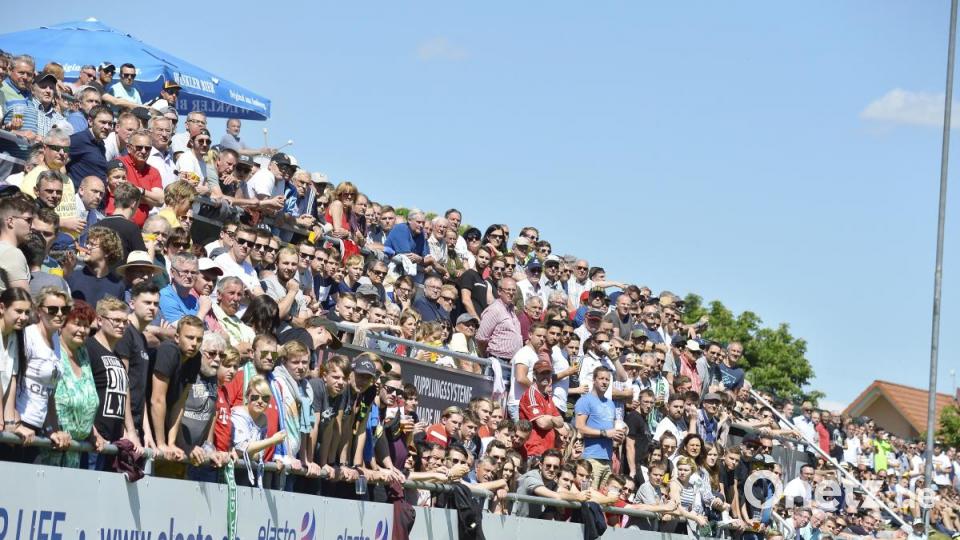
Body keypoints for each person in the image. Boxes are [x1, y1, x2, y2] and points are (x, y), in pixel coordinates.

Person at [5, 288, 73, 462]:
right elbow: (11, 379)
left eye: (64, 310)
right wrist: (13, 421)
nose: (59, 314)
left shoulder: (57, 340)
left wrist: (52, 428)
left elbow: (50, 391)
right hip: (17, 426)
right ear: (39, 311)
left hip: (36, 428)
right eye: (52, 309)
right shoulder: (27, 336)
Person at [86, 296, 142, 469]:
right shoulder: (89, 347)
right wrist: (92, 432)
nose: (121, 325)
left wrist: (131, 432)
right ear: (100, 320)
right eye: (116, 320)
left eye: (125, 321)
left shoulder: (117, 356)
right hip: (93, 442)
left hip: (114, 441)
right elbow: (84, 391)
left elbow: (123, 392)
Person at [148, 316, 203, 461]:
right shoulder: (168, 351)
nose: (194, 344)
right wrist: (162, 443)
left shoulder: (196, 359)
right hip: (144, 421)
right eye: (190, 338)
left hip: (161, 422)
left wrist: (174, 443)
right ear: (177, 337)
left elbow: (180, 403)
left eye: (199, 339)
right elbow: (157, 399)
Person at [228, 374, 287, 486]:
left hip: (249, 472)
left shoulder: (263, 418)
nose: (260, 401)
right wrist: (272, 441)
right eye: (255, 397)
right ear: (247, 396)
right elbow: (243, 448)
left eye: (265, 398)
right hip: (231, 472)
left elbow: (257, 453)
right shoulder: (238, 414)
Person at [575, 366, 622, 489]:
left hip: (608, 459)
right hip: (591, 458)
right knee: (588, 494)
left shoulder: (610, 403)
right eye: (601, 378)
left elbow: (611, 429)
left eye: (607, 379)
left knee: (603, 500)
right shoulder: (585, 400)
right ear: (594, 380)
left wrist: (617, 436)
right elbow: (580, 428)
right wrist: (605, 433)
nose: (604, 382)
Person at [512, 449, 589, 518]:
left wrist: (585, 496)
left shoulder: (552, 483)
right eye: (548, 466)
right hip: (516, 523)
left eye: (555, 467)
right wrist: (577, 497)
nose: (552, 469)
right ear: (540, 466)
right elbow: (556, 496)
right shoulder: (530, 478)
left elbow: (565, 492)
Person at [520, 359, 567, 458]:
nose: (546, 376)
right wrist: (553, 419)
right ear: (534, 375)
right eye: (542, 373)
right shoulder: (531, 394)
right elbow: (542, 423)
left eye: (548, 373)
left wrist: (549, 418)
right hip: (534, 451)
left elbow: (561, 422)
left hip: (547, 451)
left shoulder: (547, 396)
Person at [115, 130, 163, 226]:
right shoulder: (119, 164)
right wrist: (149, 200)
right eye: (139, 147)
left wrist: (140, 191)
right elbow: (119, 194)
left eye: (148, 148)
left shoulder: (154, 172)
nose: (144, 151)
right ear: (129, 148)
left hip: (139, 228)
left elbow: (160, 200)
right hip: (119, 223)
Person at [66, 226, 125, 305]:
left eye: (92, 244)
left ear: (107, 252)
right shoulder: (72, 278)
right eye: (87, 243)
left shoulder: (117, 285)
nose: (87, 246)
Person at [476, 277, 523, 361]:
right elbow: (481, 338)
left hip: (512, 362)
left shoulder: (511, 310)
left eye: (513, 290)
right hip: (498, 360)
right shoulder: (494, 309)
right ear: (499, 291)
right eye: (508, 290)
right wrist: (486, 357)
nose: (511, 293)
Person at [507, 322, 546, 421]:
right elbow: (521, 377)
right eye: (539, 335)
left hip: (527, 403)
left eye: (544, 336)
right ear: (530, 335)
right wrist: (537, 390)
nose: (542, 339)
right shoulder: (524, 353)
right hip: (519, 403)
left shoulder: (533, 354)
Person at [0, 194, 35, 291]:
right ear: (10, 221)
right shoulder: (12, 254)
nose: (33, 226)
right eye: (28, 220)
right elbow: (22, 303)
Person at [159, 253, 203, 324]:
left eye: (193, 273)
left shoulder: (194, 300)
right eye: (185, 272)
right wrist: (202, 311)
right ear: (172, 273)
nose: (189, 276)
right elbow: (184, 331)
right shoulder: (165, 296)